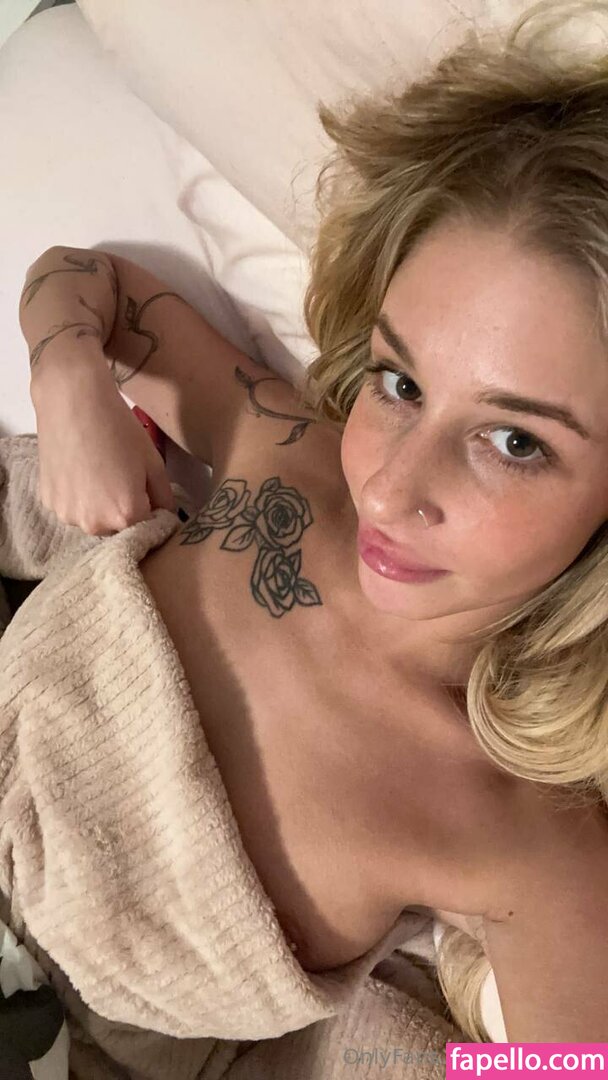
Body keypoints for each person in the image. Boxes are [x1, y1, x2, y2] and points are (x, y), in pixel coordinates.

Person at [10, 0, 608, 1051]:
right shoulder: (285, 457)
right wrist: (67, 380)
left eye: (514, 441)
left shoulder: (523, 843)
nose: (386, 488)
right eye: (399, 382)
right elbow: (83, 280)